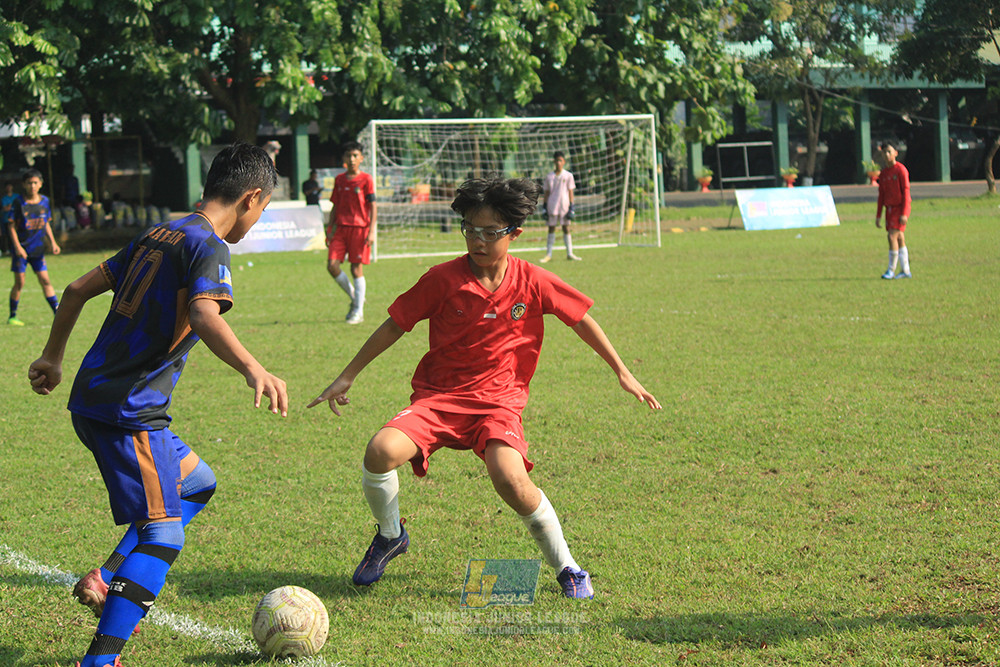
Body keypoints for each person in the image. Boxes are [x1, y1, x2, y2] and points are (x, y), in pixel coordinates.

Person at [308, 176, 660, 600]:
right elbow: (395, 324)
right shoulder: (442, 279)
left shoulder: (533, 280)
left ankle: (568, 566)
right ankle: (390, 535)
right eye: (470, 230)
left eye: (490, 233)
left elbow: (581, 319)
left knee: (509, 477)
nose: (478, 240)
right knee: (380, 451)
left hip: (499, 404)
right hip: (439, 399)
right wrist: (349, 374)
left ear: (514, 233)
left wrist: (622, 371)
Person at [27, 143, 289, 667]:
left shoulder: (161, 231)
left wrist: (53, 357)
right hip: (130, 412)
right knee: (165, 536)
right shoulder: (209, 244)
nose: (256, 222)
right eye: (261, 210)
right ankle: (100, 661)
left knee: (197, 483)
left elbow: (76, 290)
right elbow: (205, 313)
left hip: (98, 396)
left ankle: (106, 576)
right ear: (251, 197)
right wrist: (252, 367)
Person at [326, 141, 376, 324]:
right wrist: (329, 228)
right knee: (332, 265)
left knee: (356, 268)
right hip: (340, 229)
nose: (352, 159)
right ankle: (356, 298)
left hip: (360, 229)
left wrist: (371, 232)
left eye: (355, 155)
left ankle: (358, 311)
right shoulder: (339, 180)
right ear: (344, 159)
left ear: (361, 158)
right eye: (349, 155)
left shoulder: (366, 180)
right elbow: (335, 205)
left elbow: (373, 206)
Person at [7, 169, 61, 325]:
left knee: (45, 280)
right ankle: (12, 315)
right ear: (24, 184)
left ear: (41, 184)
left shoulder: (44, 201)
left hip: (37, 249)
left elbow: (46, 224)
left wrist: (53, 242)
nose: (32, 186)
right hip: (22, 250)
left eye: (35, 182)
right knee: (20, 283)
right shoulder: (19, 202)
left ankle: (57, 313)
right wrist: (17, 247)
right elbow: (11, 226)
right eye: (29, 183)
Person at [875, 142, 912, 279]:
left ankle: (891, 269)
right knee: (900, 238)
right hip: (889, 210)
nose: (887, 154)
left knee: (892, 237)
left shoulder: (901, 170)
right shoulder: (884, 173)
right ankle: (906, 270)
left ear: (896, 153)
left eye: (889, 151)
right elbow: (881, 196)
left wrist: (905, 213)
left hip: (899, 209)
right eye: (884, 152)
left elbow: (906, 193)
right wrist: (879, 215)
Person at [541, 150, 580, 263]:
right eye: (557, 160)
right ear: (554, 162)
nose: (558, 163)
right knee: (551, 228)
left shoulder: (568, 176)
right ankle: (548, 254)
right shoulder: (549, 177)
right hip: (552, 205)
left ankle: (570, 253)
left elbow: (570, 192)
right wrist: (544, 206)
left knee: (566, 228)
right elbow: (547, 193)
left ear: (564, 162)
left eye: (560, 160)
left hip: (564, 205)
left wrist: (572, 206)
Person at [1, 182, 16, 256]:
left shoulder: (16, 196)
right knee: (8, 236)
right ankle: (9, 250)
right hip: (7, 220)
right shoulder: (4, 198)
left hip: (16, 220)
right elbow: (5, 208)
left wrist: (10, 206)